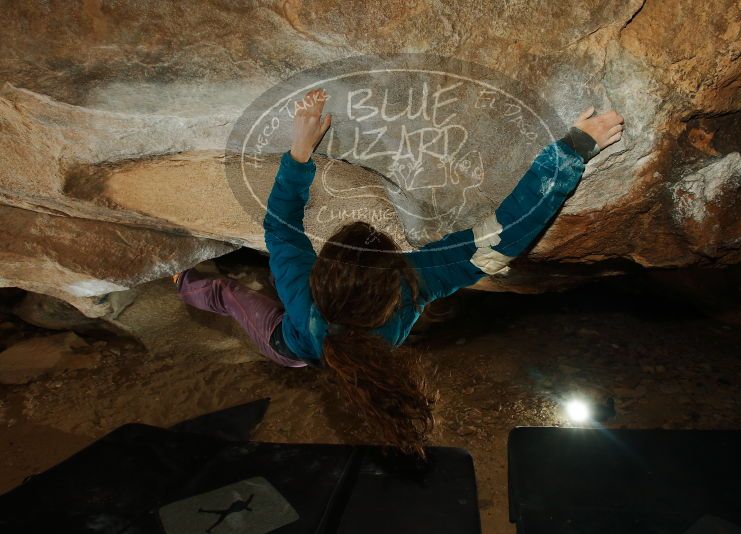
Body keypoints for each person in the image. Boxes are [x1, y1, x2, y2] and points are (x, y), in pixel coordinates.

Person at [175, 88, 624, 454]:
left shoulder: (303, 289)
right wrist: (574, 151)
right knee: (241, 291)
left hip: (289, 344)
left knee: (230, 297)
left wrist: (300, 149)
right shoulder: (415, 281)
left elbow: (280, 226)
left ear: (321, 274)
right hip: (324, 341)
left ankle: (181, 281)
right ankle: (192, 283)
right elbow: (508, 233)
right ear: (395, 272)